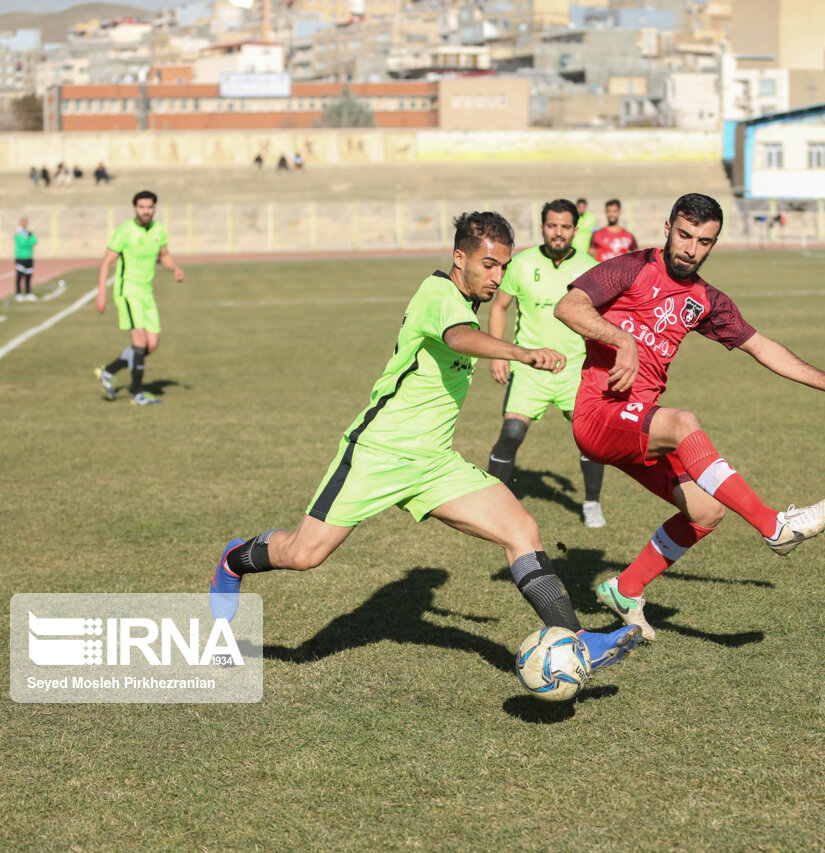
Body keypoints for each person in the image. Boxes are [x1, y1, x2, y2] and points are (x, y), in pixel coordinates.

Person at [207, 211, 642, 676]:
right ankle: (234, 561)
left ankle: (577, 641)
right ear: (460, 258)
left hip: (434, 463)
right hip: (377, 454)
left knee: (521, 531)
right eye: (488, 265)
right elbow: (457, 337)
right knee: (303, 555)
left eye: (503, 267)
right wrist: (520, 352)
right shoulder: (438, 293)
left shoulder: (466, 297)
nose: (497, 277)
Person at [554, 193, 825, 642]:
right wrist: (623, 341)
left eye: (704, 242)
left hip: (641, 424)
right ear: (668, 226)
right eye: (684, 235)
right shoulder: (628, 267)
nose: (690, 249)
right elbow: (568, 306)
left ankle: (625, 589)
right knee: (684, 421)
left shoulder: (706, 299)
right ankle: (775, 527)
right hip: (600, 415)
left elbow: (761, 346)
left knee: (706, 512)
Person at [487, 199, 608, 528]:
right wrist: (500, 354)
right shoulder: (521, 263)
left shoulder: (589, 266)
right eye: (552, 226)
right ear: (542, 228)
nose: (558, 233)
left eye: (565, 226)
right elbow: (499, 307)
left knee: (590, 439)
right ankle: (493, 505)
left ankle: (592, 503)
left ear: (575, 229)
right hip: (530, 369)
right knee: (511, 433)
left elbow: (602, 317)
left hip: (575, 370)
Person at [93, 190, 185, 406]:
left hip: (146, 292)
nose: (146, 211)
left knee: (151, 345)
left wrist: (176, 269)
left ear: (154, 208)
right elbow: (106, 262)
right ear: (135, 208)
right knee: (140, 341)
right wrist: (101, 293)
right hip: (127, 291)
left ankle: (108, 371)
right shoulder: (124, 231)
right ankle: (137, 393)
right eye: (142, 207)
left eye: (150, 207)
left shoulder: (159, 230)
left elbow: (164, 256)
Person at [588, 198, 638, 262]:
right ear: (606, 212)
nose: (611, 214)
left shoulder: (628, 236)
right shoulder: (597, 234)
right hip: (603, 271)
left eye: (615, 211)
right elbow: (589, 258)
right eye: (609, 211)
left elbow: (638, 257)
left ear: (619, 212)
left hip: (621, 271)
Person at [13, 217, 37, 302]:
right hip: (20, 257)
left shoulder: (28, 232)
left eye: (26, 222)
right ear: (20, 223)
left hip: (29, 257)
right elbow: (23, 244)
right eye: (23, 222)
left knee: (28, 276)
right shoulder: (18, 232)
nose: (24, 224)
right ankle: (18, 293)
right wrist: (29, 241)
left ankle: (28, 293)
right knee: (20, 276)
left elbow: (35, 240)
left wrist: (29, 241)